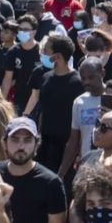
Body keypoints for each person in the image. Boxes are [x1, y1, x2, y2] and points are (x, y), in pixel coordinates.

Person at [37, 34, 85, 175]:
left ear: (57, 56)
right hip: (45, 144)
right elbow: (43, 110)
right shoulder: (45, 78)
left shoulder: (77, 83)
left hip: (66, 146)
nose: (43, 54)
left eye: (46, 51)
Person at [58, 57, 105, 181]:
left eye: (91, 77)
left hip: (110, 165)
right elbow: (74, 140)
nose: (86, 82)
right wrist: (61, 174)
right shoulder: (79, 102)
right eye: (83, 78)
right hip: (87, 166)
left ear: (102, 74)